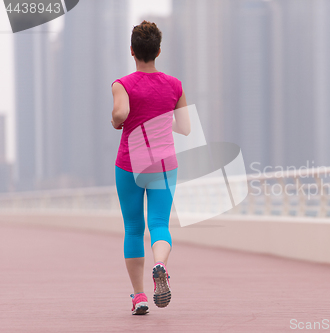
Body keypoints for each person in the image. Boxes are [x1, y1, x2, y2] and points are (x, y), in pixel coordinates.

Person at [111, 20, 191, 315]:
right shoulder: (174, 85)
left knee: (133, 228)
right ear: (158, 50)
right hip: (163, 165)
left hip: (129, 165)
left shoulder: (122, 84)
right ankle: (161, 265)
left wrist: (116, 120)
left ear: (132, 51)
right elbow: (185, 128)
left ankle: (139, 296)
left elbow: (120, 113)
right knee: (159, 224)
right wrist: (160, 119)